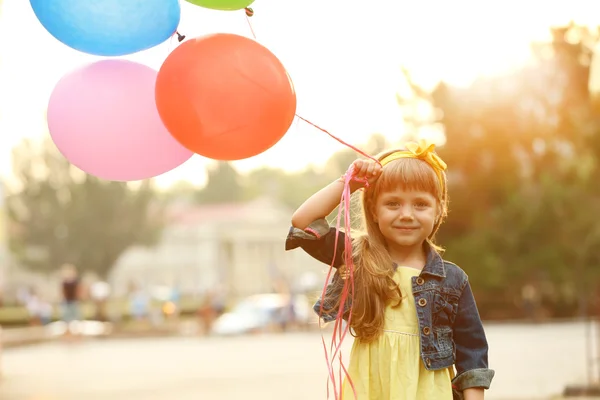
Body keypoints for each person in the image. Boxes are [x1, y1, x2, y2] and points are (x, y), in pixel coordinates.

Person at [285, 140, 494, 399]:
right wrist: (348, 183)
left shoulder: (452, 279)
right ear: (374, 210)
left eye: (420, 204)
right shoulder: (358, 258)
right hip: (371, 387)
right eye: (393, 203)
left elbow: (471, 351)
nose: (406, 214)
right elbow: (303, 223)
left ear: (439, 208)